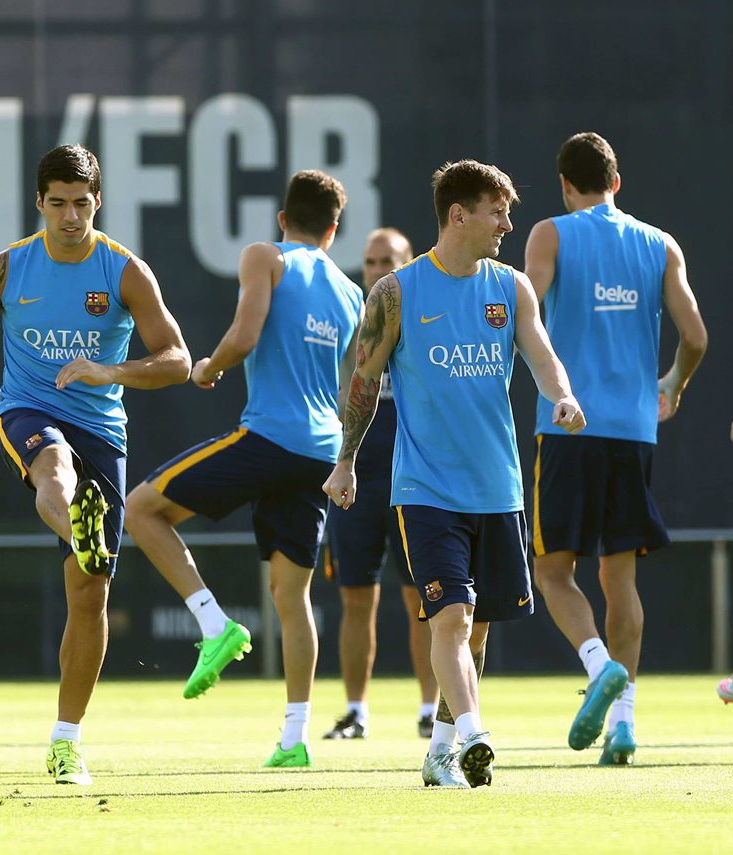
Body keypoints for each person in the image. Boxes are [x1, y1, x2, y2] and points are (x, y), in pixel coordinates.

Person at [0, 144, 190, 785]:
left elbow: (178, 359)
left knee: (90, 591)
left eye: (82, 203)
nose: (70, 216)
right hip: (27, 409)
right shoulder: (6, 268)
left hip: (102, 425)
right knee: (53, 470)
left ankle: (66, 741)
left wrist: (108, 369)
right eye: (58, 203)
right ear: (39, 203)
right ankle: (82, 525)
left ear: (97, 202)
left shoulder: (126, 272)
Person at [324, 160, 585, 788]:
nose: (506, 222)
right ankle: (473, 734)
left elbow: (542, 355)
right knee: (452, 619)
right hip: (426, 489)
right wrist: (346, 459)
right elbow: (363, 380)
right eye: (497, 211)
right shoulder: (397, 292)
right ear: (458, 214)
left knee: (478, 633)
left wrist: (562, 395)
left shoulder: (513, 286)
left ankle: (441, 748)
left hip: (498, 489)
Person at [125, 170, 361, 768]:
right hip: (319, 452)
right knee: (292, 595)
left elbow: (245, 334)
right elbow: (349, 386)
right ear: (334, 229)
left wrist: (208, 367)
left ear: (283, 220)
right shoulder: (350, 292)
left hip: (270, 438)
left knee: (141, 509)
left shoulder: (265, 256)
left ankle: (213, 624)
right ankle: (295, 738)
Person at [524, 132, 707, 765]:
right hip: (633, 432)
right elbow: (696, 335)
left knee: (553, 571)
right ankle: (624, 724)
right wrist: (672, 384)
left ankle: (598, 664)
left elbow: (527, 309)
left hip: (568, 425)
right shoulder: (660, 245)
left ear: (566, 187)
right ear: (617, 182)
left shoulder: (550, 233)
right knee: (619, 577)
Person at [321, 227, 438, 741]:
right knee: (355, 597)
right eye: (369, 261)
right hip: (359, 475)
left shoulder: (423, 315)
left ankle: (431, 708)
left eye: (386, 260)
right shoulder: (351, 318)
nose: (375, 269)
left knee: (424, 598)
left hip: (414, 473)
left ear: (408, 262)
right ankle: (355, 711)